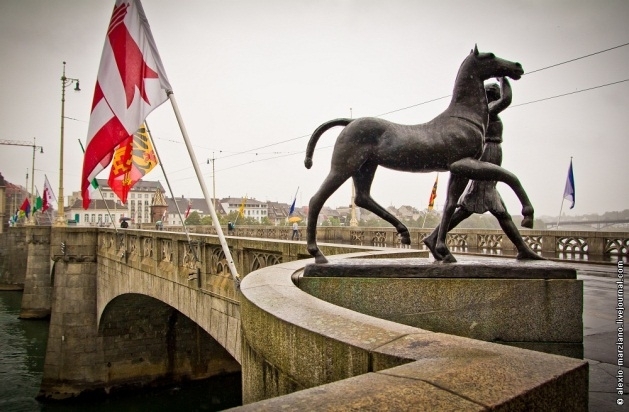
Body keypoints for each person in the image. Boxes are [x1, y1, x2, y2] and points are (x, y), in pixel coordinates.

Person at [424, 77, 542, 260]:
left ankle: (522, 248)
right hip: (488, 153)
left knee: (490, 207)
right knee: (482, 206)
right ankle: (434, 238)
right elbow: (507, 100)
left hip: (492, 154)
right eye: (494, 95)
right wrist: (503, 77)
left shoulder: (483, 112)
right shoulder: (486, 111)